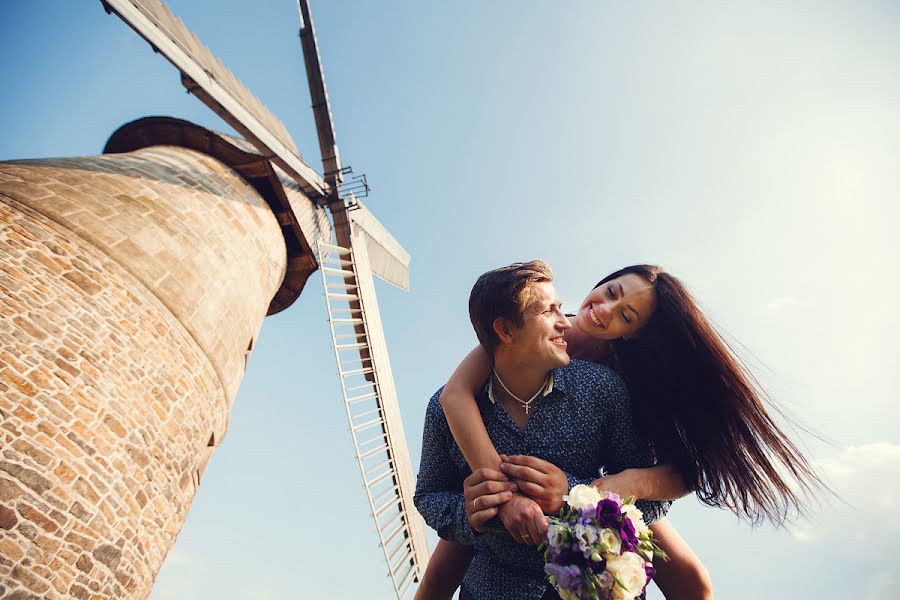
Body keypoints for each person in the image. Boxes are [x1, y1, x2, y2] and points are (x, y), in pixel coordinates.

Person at [415, 264, 823, 599]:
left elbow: (678, 475)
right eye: (610, 291)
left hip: (605, 480)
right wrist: (503, 499)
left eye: (626, 315)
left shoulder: (621, 383)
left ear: (636, 334)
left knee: (691, 580)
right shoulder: (539, 330)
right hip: (492, 457)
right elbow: (455, 397)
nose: (604, 310)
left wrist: (595, 491)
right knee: (440, 575)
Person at [413, 261, 669, 600]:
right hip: (492, 586)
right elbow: (429, 495)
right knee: (435, 581)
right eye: (551, 311)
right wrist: (473, 513)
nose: (567, 322)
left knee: (693, 578)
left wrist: (573, 495)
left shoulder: (606, 390)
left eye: (627, 315)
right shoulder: (447, 406)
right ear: (505, 331)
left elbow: (652, 501)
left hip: (592, 587)